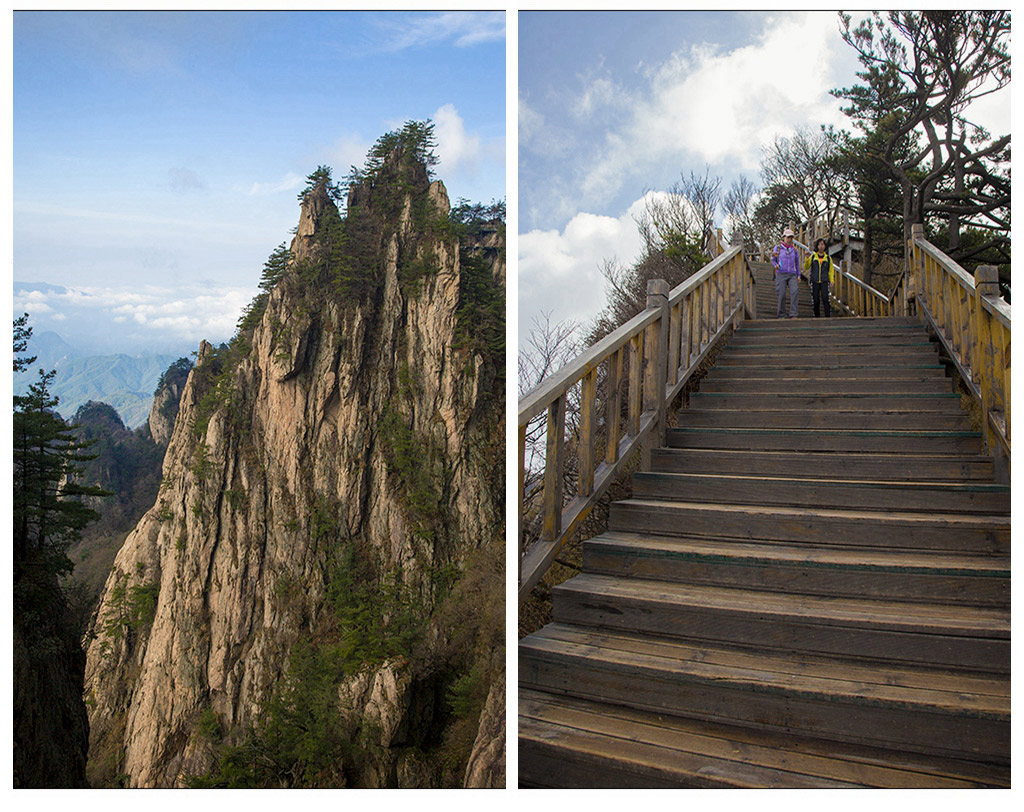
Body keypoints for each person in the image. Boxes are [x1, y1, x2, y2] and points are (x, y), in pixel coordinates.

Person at [771, 228, 800, 318]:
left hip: (792, 274)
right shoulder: (778, 248)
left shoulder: (794, 250)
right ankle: (781, 314)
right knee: (782, 294)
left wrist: (798, 275)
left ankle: (793, 314)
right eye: (788, 237)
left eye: (791, 238)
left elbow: (797, 263)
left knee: (794, 292)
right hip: (781, 273)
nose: (789, 240)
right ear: (784, 237)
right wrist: (775, 265)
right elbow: (773, 259)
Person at [804, 238, 836, 317]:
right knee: (816, 299)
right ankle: (816, 315)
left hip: (824, 281)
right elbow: (806, 267)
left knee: (825, 298)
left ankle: (827, 315)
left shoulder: (828, 258)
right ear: (817, 246)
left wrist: (831, 280)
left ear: (825, 246)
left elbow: (831, 270)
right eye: (819, 244)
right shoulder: (813, 256)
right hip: (815, 281)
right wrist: (807, 258)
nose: (821, 246)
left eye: (822, 244)